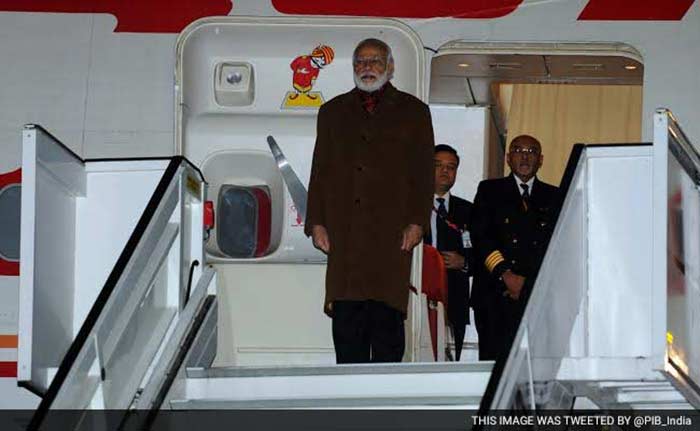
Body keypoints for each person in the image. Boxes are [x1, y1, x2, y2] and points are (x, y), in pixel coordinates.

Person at [304, 38, 434, 364]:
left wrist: (418, 221)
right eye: (360, 62)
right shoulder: (331, 112)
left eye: (375, 61)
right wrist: (316, 222)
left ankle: (386, 411)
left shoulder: (415, 112)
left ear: (390, 67)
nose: (367, 67)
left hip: (391, 239)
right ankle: (350, 411)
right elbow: (319, 172)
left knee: (388, 333)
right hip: (344, 239)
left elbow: (423, 175)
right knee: (348, 336)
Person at [471, 135, 559, 360]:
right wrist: (506, 275)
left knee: (535, 368)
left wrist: (528, 285)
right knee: (493, 366)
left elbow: (557, 246)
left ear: (540, 160)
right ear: (508, 158)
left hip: (536, 296)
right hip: (495, 294)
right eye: (518, 150)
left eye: (531, 152)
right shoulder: (490, 190)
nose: (525, 156)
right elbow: (482, 237)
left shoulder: (555, 196)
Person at [424, 144, 473, 361]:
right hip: (419, 298)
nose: (445, 171)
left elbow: (483, 253)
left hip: (455, 301)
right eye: (438, 165)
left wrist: (464, 262)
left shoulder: (469, 210)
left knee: (451, 367)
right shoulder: (412, 207)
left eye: (451, 167)